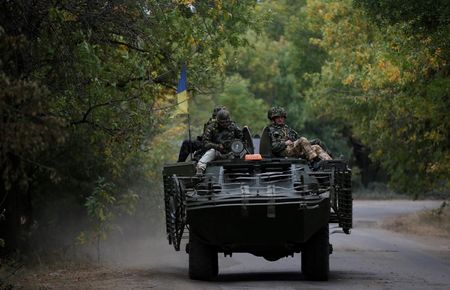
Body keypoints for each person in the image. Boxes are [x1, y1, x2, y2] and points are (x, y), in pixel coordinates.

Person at [267, 106, 332, 161]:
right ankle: (314, 160)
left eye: (282, 117)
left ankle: (330, 162)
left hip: (293, 150)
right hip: (283, 152)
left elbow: (301, 142)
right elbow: (274, 148)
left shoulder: (288, 129)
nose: (280, 119)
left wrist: (313, 142)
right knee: (302, 139)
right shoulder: (272, 130)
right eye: (278, 118)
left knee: (316, 146)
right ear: (273, 119)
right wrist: (285, 143)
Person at [196, 109, 243, 175]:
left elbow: (241, 138)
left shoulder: (233, 126)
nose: (225, 124)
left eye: (227, 122)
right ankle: (200, 168)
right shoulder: (211, 127)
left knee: (239, 155)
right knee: (210, 153)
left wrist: (235, 144)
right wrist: (217, 146)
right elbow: (205, 143)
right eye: (222, 122)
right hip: (216, 151)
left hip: (230, 151)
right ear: (218, 121)